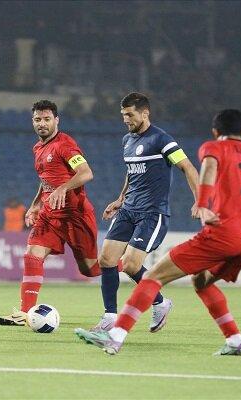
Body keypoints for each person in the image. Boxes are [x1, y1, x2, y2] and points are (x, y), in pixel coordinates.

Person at [75, 109, 241, 355]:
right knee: (202, 281)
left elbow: (208, 170)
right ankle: (236, 341)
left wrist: (202, 203)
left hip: (223, 233)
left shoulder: (213, 148)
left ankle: (115, 337)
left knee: (153, 278)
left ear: (215, 132)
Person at [91, 92, 199, 333]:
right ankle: (109, 316)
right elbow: (132, 172)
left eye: (130, 115)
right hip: (128, 210)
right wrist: (120, 199)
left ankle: (160, 303)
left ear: (145, 113)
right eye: (123, 115)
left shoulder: (162, 140)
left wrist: (199, 200)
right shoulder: (126, 141)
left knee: (130, 265)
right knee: (106, 259)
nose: (125, 119)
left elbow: (188, 167)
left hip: (152, 213)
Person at [0, 100, 101, 325]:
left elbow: (86, 173)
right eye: (37, 119)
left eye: (46, 119)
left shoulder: (65, 145)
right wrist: (36, 204)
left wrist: (63, 188)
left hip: (75, 215)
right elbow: (45, 179)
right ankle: (24, 314)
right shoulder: (38, 148)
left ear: (56, 120)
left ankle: (128, 264)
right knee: (32, 255)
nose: (42, 124)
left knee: (90, 270)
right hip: (50, 214)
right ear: (32, 121)